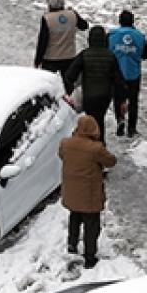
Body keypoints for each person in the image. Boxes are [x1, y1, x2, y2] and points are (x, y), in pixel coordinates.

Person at [58, 114, 116, 269]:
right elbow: (111, 161)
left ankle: (72, 245)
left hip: (72, 193)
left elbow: (62, 155)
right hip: (89, 195)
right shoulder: (95, 148)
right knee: (91, 225)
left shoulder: (65, 143)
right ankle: (90, 257)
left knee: (75, 218)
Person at [63, 26, 127, 145]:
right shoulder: (110, 56)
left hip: (89, 95)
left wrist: (72, 89)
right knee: (100, 120)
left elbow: (69, 75)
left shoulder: (84, 55)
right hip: (105, 96)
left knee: (92, 120)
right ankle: (100, 145)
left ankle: (94, 146)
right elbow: (119, 80)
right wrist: (122, 99)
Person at [108, 10, 147, 137]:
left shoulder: (112, 35)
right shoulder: (140, 36)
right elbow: (145, 55)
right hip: (133, 74)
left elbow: (107, 52)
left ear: (120, 21)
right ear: (132, 21)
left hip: (117, 75)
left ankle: (120, 120)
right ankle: (131, 128)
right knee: (133, 101)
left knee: (118, 99)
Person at [34, 0, 88, 74]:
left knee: (49, 83)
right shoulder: (72, 14)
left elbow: (43, 41)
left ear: (49, 4)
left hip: (51, 59)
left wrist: (38, 60)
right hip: (69, 57)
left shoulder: (47, 18)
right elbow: (84, 26)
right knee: (67, 83)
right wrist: (74, 13)